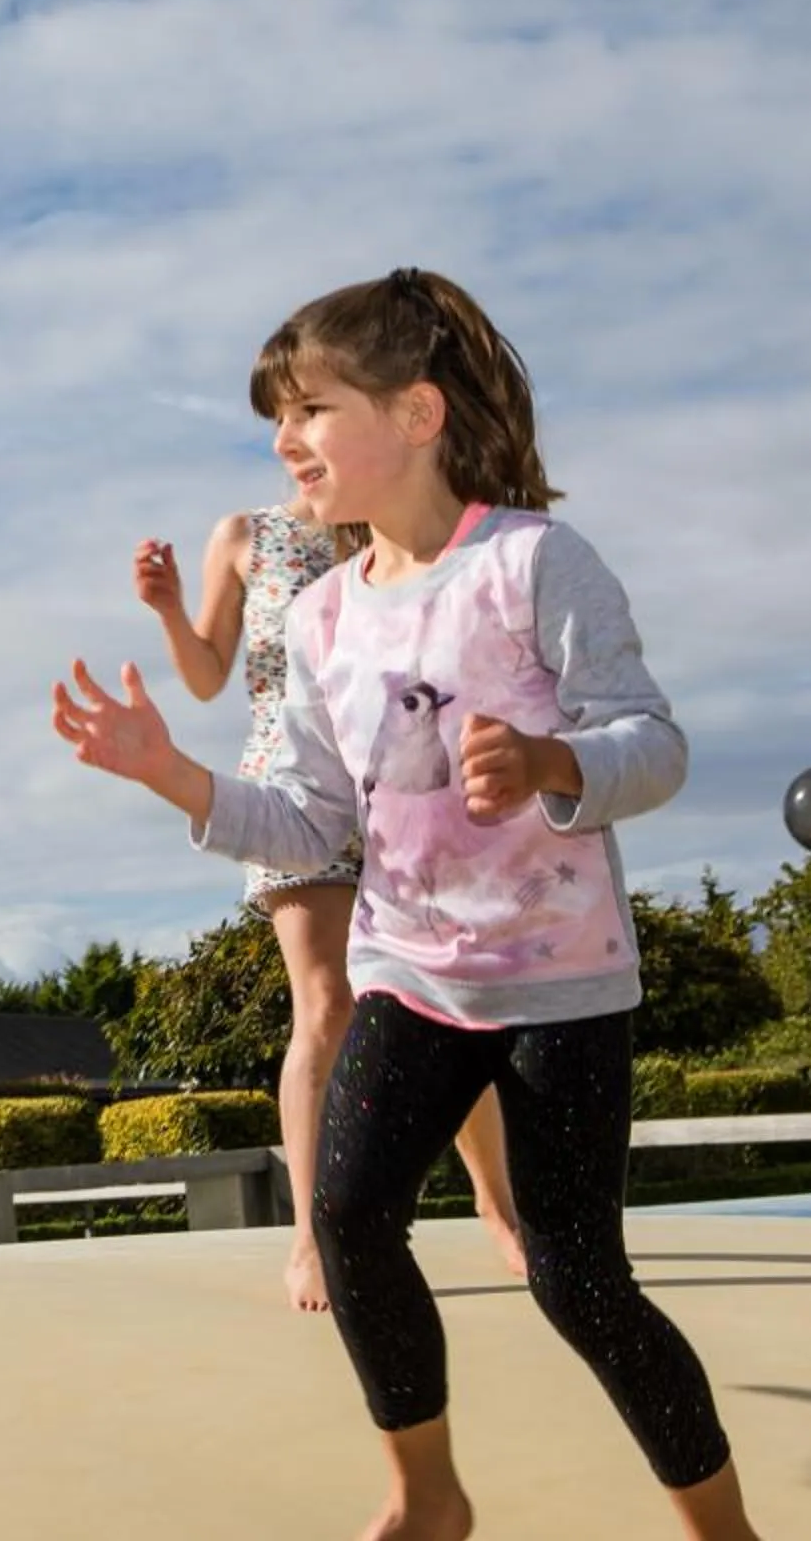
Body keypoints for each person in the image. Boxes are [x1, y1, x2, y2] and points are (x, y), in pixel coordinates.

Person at [57, 269, 756, 1541]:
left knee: (580, 1279)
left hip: (560, 987)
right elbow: (317, 824)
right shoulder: (322, 614)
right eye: (279, 417)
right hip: (410, 974)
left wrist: (557, 765)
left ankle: (725, 1531)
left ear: (417, 413)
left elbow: (653, 744)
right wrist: (173, 774)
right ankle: (427, 1492)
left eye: (310, 410)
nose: (284, 442)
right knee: (349, 1216)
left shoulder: (536, 561)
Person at [136, 502, 528, 1311]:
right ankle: (314, 1239)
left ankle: (499, 1206)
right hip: (291, 783)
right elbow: (210, 675)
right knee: (326, 1003)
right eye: (289, 417)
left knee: (443, 998)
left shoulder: (399, 523)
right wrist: (171, 609)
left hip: (402, 777)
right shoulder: (247, 535)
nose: (299, 437)